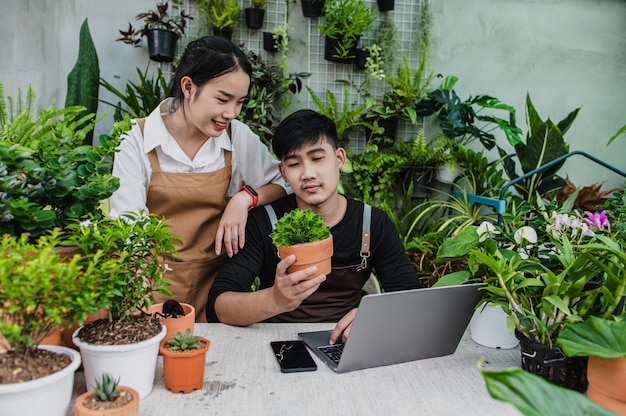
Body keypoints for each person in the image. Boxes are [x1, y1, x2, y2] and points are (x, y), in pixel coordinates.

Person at [109, 36, 288, 322]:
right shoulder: (136, 140)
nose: (231, 113)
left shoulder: (236, 137)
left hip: (212, 293)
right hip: (150, 291)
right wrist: (136, 313)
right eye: (222, 99)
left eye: (239, 102)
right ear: (189, 87)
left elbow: (283, 182)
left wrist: (244, 199)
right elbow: (132, 234)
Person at [207, 109, 421, 343]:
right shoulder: (263, 221)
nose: (308, 174)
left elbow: (410, 298)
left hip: (345, 341)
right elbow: (219, 306)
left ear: (340, 159)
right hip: (277, 343)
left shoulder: (372, 223)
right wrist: (274, 300)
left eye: (317, 159)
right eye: (294, 164)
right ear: (283, 174)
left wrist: (374, 316)